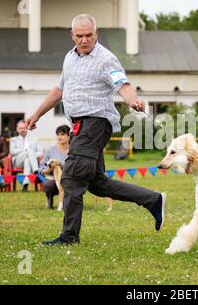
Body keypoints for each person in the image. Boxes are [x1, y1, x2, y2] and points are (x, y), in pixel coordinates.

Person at [26, 14, 166, 246]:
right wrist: (37, 113)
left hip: (96, 123)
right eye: (79, 36)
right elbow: (58, 90)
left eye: (88, 35)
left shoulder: (106, 59)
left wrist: (132, 101)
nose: (84, 40)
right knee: (97, 184)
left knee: (70, 177)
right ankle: (153, 200)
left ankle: (69, 237)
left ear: (96, 33)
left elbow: (123, 83)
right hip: (79, 126)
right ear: (72, 36)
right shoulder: (69, 58)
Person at [39, 125, 70, 209]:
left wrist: (59, 164)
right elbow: (41, 167)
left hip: (69, 179)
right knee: (47, 185)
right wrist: (47, 170)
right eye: (58, 134)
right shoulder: (50, 150)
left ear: (69, 136)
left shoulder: (73, 151)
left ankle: (69, 202)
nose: (59, 137)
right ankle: (49, 199)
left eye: (62, 134)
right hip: (54, 180)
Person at [10, 120, 42, 192]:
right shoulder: (13, 140)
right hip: (18, 162)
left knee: (27, 161)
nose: (22, 130)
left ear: (27, 128)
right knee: (29, 151)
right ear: (17, 129)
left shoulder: (35, 139)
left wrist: (31, 155)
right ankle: (36, 172)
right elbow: (12, 151)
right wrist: (26, 151)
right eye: (20, 128)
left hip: (30, 161)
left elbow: (40, 152)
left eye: (24, 128)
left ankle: (25, 186)